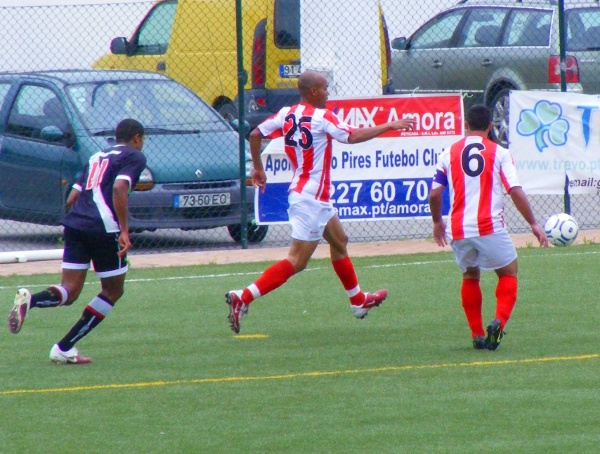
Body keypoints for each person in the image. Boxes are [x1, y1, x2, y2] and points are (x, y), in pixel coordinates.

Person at [225, 70, 416, 334]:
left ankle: (358, 301)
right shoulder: (322, 117)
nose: (328, 93)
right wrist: (389, 125)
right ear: (313, 91)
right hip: (311, 199)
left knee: (339, 241)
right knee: (297, 261)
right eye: (325, 88)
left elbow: (255, 134)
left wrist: (258, 168)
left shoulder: (286, 114)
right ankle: (243, 297)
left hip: (312, 196)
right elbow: (352, 136)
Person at [7, 118, 147, 364]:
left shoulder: (96, 157)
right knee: (113, 290)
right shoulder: (134, 156)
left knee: (69, 291)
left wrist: (82, 221)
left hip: (75, 224)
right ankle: (64, 347)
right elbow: (119, 188)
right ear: (137, 138)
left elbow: (72, 197)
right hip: (104, 229)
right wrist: (124, 230)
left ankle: (31, 300)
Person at [428, 104, 548, 351]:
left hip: (458, 229)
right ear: (490, 127)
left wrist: (437, 221)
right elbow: (514, 190)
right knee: (508, 272)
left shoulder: (448, 153)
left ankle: (477, 334)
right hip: (489, 226)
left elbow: (434, 194)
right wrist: (533, 223)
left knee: (470, 276)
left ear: (466, 125)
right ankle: (499, 322)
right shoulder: (500, 153)